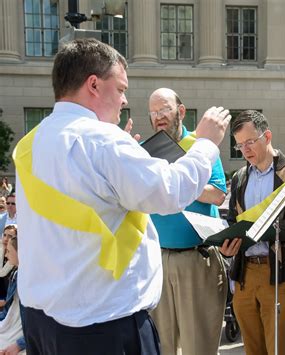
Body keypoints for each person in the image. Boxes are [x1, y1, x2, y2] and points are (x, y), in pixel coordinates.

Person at [13, 38, 231, 355]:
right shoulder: (103, 141)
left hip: (42, 319)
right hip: (101, 323)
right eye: (120, 88)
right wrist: (207, 144)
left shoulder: (31, 142)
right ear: (93, 85)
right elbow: (169, 191)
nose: (125, 100)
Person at [220, 110, 285, 355]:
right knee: (253, 350)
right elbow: (233, 220)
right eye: (240, 145)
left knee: (279, 350)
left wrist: (263, 230)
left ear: (268, 136)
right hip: (244, 274)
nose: (245, 150)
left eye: (250, 142)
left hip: (279, 273)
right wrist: (227, 242)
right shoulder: (240, 177)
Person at [148, 88, 228, 355]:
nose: (159, 117)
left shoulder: (201, 145)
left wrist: (178, 179)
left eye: (164, 110)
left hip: (196, 260)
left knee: (198, 347)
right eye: (154, 112)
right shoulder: (145, 151)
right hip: (157, 260)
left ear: (180, 112)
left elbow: (217, 195)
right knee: (161, 347)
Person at [0, 226, 26, 355]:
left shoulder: (30, 280)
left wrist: (19, 344)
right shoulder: (16, 273)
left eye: (9, 251)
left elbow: (41, 324)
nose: (6, 254)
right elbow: (9, 310)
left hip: (22, 331)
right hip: (10, 323)